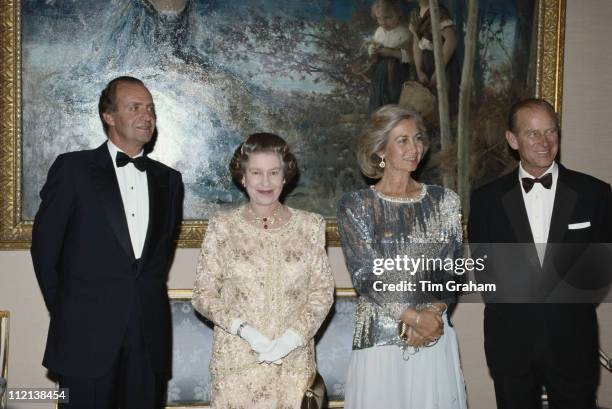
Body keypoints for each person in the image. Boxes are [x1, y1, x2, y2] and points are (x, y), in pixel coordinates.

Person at [31, 76, 183, 408]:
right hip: (84, 340)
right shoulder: (72, 169)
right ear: (108, 116)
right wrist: (71, 313)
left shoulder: (169, 181)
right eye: (135, 107)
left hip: (148, 340)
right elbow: (45, 251)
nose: (147, 116)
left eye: (151, 109)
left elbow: (158, 261)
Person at [468, 98, 612, 409]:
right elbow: (486, 273)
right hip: (510, 343)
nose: (544, 142)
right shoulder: (486, 200)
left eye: (551, 132)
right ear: (512, 139)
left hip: (573, 341)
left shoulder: (596, 194)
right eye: (533, 134)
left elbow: (601, 271)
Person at [337, 105, 467, 409]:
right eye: (402, 140)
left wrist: (431, 316)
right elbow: (365, 276)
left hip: (434, 332)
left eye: (418, 138)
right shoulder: (355, 205)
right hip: (380, 335)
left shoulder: (445, 201)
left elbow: (455, 268)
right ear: (380, 149)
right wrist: (413, 318)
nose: (414, 148)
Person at [191, 133, 334, 408]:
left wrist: (292, 338)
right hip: (237, 366)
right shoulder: (223, 227)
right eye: (256, 172)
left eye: (273, 172)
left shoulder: (310, 226)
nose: (265, 182)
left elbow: (322, 292)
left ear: (285, 176)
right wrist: (243, 330)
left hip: (293, 365)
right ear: (243, 177)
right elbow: (203, 293)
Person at [408, 0, 459, 112]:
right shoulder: (415, 13)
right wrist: (419, 70)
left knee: (443, 98)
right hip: (425, 62)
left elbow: (451, 41)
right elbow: (416, 44)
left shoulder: (439, 13)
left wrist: (438, 71)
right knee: (426, 99)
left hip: (442, 62)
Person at [366, 0, 413, 113]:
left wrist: (392, 53)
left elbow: (410, 56)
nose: (383, 22)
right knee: (378, 96)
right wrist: (372, 50)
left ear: (398, 14)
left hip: (397, 74)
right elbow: (372, 45)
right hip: (380, 75)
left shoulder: (404, 32)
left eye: (388, 17)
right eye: (379, 18)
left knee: (394, 98)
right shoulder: (379, 32)